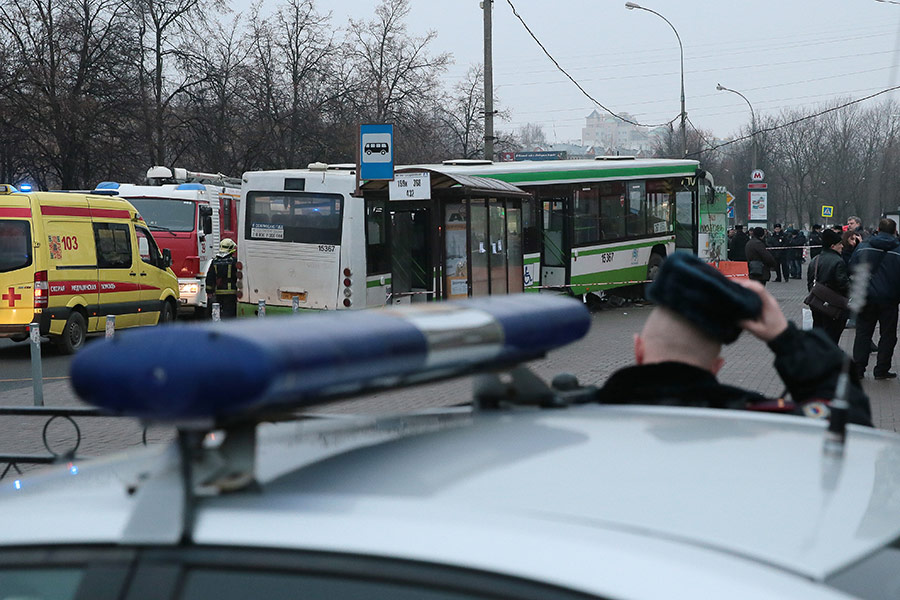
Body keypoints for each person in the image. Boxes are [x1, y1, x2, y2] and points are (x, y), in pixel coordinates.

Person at [594, 253, 871, 426]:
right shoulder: (761, 424)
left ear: (638, 350)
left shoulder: (578, 416)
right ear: (717, 366)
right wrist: (784, 337)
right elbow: (852, 422)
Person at [850, 218, 900, 380]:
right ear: (895, 231)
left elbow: (851, 267)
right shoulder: (898, 250)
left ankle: (858, 369)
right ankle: (882, 370)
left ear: (877, 229)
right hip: (890, 299)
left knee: (863, 333)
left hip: (867, 298)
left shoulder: (863, 247)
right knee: (888, 335)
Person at [806, 228, 849, 344]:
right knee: (832, 337)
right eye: (840, 244)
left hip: (816, 304)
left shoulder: (815, 260)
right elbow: (843, 285)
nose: (842, 247)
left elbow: (810, 283)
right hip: (833, 307)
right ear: (832, 246)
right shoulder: (838, 261)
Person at [206, 238, 238, 319]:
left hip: (219, 292)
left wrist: (209, 291)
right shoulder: (234, 261)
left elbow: (210, 277)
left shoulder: (215, 261)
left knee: (219, 312)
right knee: (230, 313)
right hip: (232, 292)